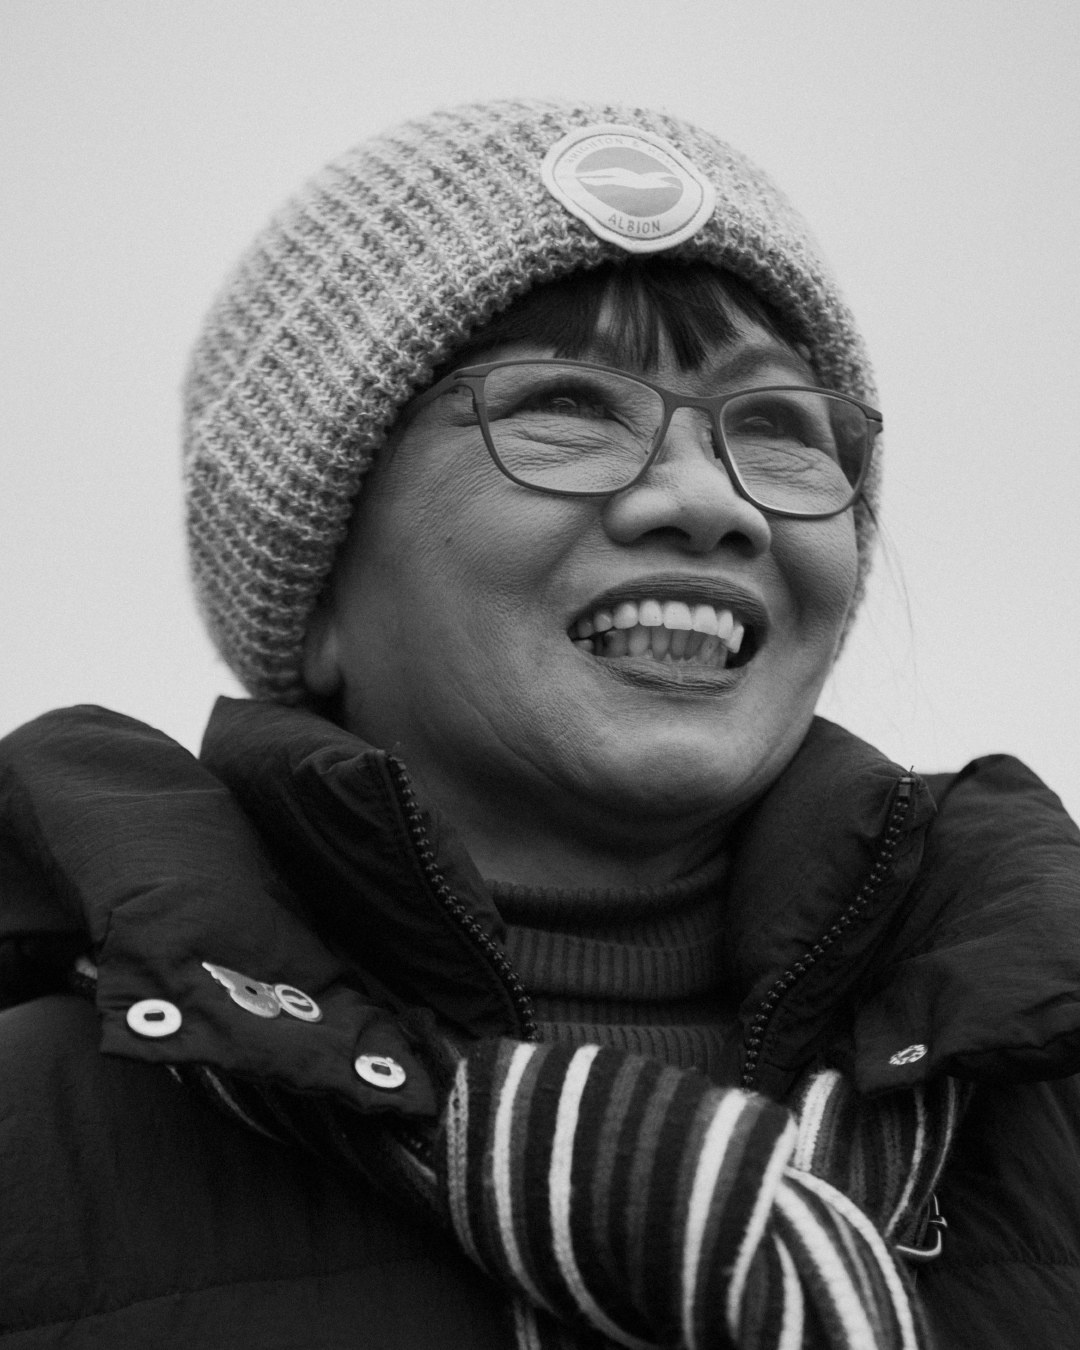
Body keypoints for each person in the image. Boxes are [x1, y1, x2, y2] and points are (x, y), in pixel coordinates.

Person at [1, 98, 1078, 1350]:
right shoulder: (39, 1139)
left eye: (781, 429)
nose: (710, 503)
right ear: (318, 583)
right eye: (566, 407)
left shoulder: (1042, 1103)